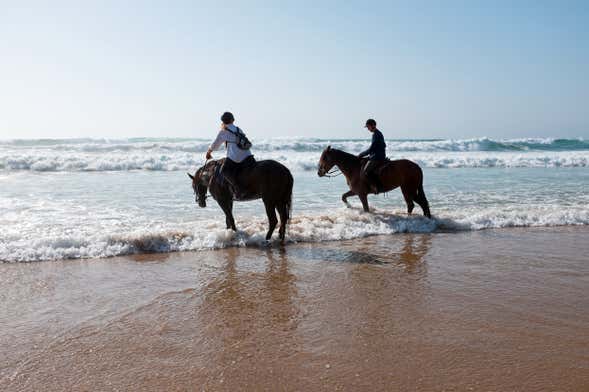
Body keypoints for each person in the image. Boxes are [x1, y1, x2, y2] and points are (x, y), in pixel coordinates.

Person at [206, 112, 255, 199]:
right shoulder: (238, 129)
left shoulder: (223, 131)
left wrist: (209, 152)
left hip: (235, 157)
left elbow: (215, 145)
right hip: (247, 155)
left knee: (223, 170)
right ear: (233, 120)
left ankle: (238, 188)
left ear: (223, 121)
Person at [358, 118, 386, 193]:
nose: (368, 129)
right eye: (367, 127)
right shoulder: (378, 133)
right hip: (377, 155)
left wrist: (361, 154)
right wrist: (369, 156)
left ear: (373, 125)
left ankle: (375, 187)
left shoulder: (376, 134)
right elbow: (375, 148)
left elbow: (372, 148)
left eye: (368, 127)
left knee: (365, 172)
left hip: (377, 157)